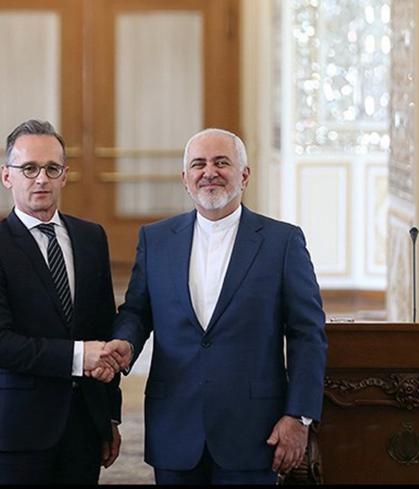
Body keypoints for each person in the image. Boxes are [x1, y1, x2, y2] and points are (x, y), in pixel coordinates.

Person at [100, 128, 327, 485]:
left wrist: (299, 416)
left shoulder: (283, 242)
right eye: (198, 164)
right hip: (174, 424)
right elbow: (137, 312)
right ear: (185, 178)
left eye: (222, 163)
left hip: (254, 430)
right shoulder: (156, 239)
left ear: (244, 175)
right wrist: (126, 342)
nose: (209, 172)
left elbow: (307, 334)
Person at [0, 119, 122, 484]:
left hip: (84, 428)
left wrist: (109, 417)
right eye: (29, 169)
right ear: (7, 176)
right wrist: (79, 356)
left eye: (52, 168)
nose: (41, 179)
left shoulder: (91, 238)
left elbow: (103, 329)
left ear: (65, 175)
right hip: (18, 432)